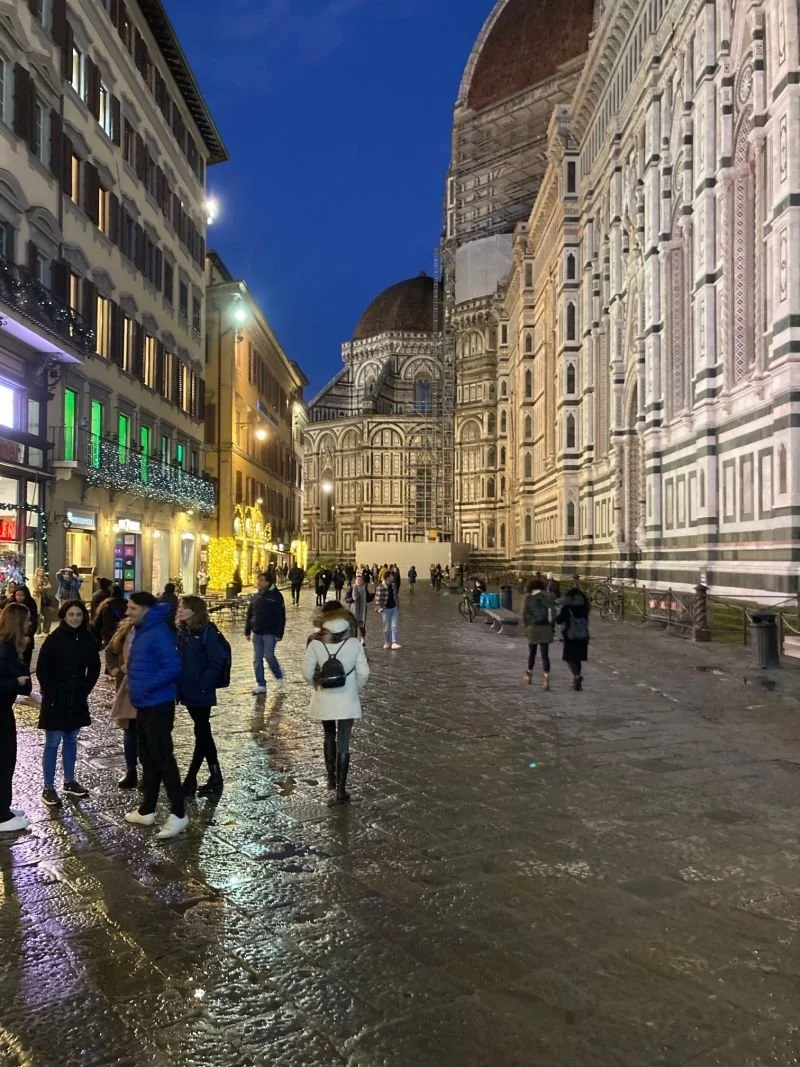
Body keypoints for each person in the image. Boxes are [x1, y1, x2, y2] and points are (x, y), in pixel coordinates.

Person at [124, 592, 187, 839]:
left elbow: (173, 667)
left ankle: (179, 812)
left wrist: (147, 685)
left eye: (132, 609)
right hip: (144, 704)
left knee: (163, 757)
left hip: (158, 703)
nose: (128, 612)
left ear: (146, 609)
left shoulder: (158, 631)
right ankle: (147, 809)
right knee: (147, 756)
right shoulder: (143, 629)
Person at [35, 600, 101, 807]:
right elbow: (42, 669)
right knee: (53, 742)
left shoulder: (87, 639)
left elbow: (95, 667)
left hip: (76, 698)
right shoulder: (54, 639)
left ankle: (69, 781)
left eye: (78, 615)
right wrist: (50, 693)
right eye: (71, 614)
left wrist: (85, 689)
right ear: (64, 616)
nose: (75, 618)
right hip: (56, 699)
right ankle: (48, 787)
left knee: (72, 740)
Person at [303, 602, 369, 805]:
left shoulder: (315, 642)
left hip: (325, 697)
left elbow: (306, 673)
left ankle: (330, 776)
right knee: (344, 742)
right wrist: (353, 690)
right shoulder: (354, 643)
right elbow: (364, 673)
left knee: (328, 734)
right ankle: (341, 790)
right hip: (346, 699)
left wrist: (318, 684)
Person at [176, 596, 227, 797]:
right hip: (188, 689)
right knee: (202, 732)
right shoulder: (184, 632)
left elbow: (216, 661)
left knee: (202, 732)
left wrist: (203, 684)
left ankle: (192, 778)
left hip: (201, 690)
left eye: (183, 607)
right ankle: (214, 775)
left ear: (194, 610)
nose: (179, 609)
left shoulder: (207, 631)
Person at [0, 603, 33, 832]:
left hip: (4, 710)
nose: (31, 623)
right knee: (4, 760)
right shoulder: (5, 648)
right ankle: (2, 816)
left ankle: (4, 807)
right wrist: (17, 683)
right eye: (28, 620)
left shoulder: (10, 646)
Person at [104, 616, 138, 789]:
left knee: (146, 732)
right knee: (129, 729)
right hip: (125, 688)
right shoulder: (124, 631)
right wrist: (115, 669)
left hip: (146, 688)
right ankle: (131, 771)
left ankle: (150, 771)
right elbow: (109, 651)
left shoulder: (154, 633)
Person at [245, 571, 285, 695]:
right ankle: (261, 684)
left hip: (270, 632)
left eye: (262, 580)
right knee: (257, 659)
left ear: (268, 582)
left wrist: (279, 633)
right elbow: (250, 614)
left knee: (269, 655)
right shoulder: (256, 597)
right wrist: (247, 630)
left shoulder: (276, 596)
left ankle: (278, 675)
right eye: (259, 580)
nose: (259, 583)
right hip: (257, 631)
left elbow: (281, 616)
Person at [556, 576, 591, 690]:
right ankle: (577, 679)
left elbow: (559, 620)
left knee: (569, 658)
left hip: (570, 635)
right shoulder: (585, 606)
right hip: (583, 635)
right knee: (578, 658)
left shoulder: (567, 606)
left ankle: (577, 676)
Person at [522, 578, 556, 690]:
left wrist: (527, 627)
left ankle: (529, 674)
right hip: (545, 628)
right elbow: (552, 615)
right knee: (545, 654)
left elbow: (524, 615)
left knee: (532, 653)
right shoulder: (549, 598)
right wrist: (551, 627)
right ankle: (546, 678)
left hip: (533, 629)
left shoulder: (528, 598)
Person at [92, 584, 127, 649]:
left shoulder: (106, 605)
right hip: (124, 634)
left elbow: (97, 624)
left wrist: (97, 640)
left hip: (109, 635)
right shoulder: (128, 604)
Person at [374, 570, 400, 650]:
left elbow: (396, 596)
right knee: (386, 627)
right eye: (391, 576)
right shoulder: (380, 587)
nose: (393, 577)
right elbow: (378, 600)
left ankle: (394, 642)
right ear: (387, 577)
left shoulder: (393, 585)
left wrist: (397, 603)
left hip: (394, 608)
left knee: (394, 625)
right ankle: (387, 642)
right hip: (385, 609)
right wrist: (379, 608)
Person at [14, 587, 38, 671]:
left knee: (25, 664)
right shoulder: (12, 605)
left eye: (22, 595)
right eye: (17, 595)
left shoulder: (31, 604)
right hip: (14, 638)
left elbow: (34, 622)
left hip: (27, 638)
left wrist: (29, 635)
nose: (19, 597)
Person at [348, 573, 369, 645]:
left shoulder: (364, 589)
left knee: (362, 625)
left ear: (363, 581)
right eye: (357, 580)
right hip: (354, 609)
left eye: (360, 580)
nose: (359, 581)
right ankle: (354, 640)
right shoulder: (352, 588)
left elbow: (368, 598)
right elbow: (346, 598)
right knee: (354, 625)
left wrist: (374, 594)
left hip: (362, 610)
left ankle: (363, 639)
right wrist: (352, 600)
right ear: (355, 581)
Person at [32, 567, 53, 634]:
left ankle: (46, 630)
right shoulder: (34, 579)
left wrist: (42, 588)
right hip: (37, 598)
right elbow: (36, 588)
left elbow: (49, 586)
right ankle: (38, 631)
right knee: (37, 615)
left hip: (44, 598)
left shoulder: (45, 579)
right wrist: (43, 588)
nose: (41, 573)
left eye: (42, 571)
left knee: (48, 615)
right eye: (40, 571)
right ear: (37, 572)